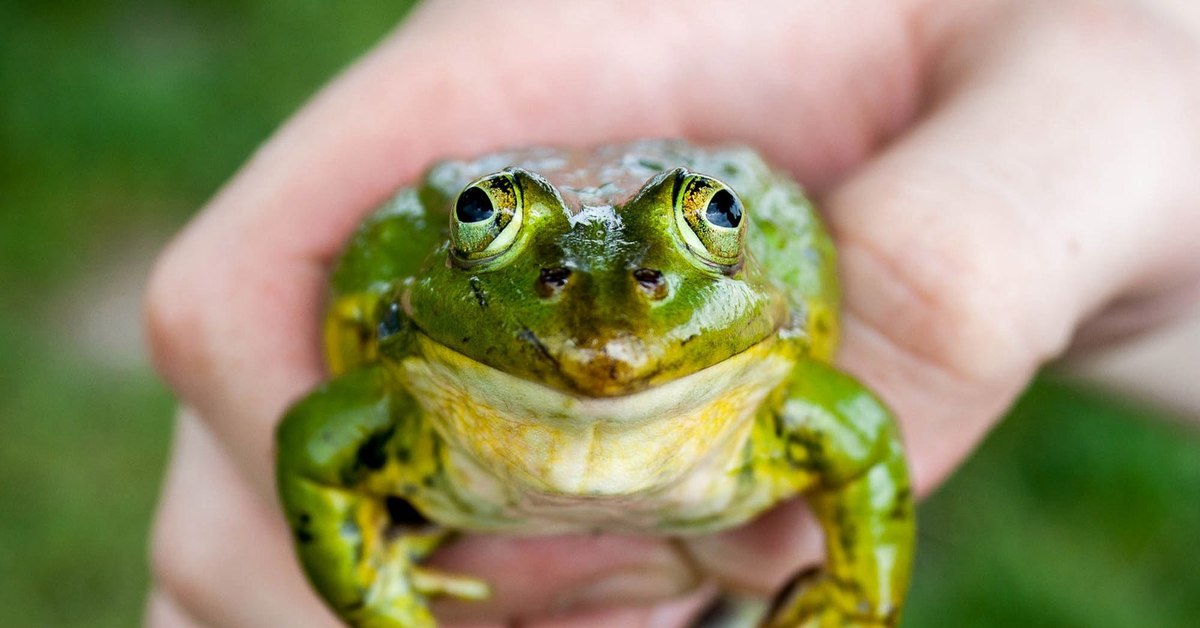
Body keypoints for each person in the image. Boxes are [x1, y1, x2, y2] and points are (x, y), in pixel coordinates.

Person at [141, 1, 1200, 626]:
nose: (609, 319)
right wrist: (377, 593)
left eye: (706, 227)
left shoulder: (784, 397)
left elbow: (871, 444)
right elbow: (315, 446)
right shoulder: (400, 403)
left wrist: (846, 598)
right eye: (487, 221)